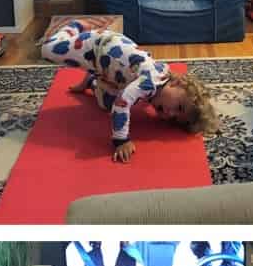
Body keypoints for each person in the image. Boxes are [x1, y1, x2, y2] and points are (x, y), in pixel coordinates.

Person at [43, 21, 218, 163]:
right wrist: (121, 140)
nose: (169, 113)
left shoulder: (159, 86)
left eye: (173, 118)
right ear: (177, 83)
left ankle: (92, 81)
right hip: (95, 46)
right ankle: (74, 27)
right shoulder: (149, 82)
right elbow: (124, 101)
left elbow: (121, 99)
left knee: (107, 105)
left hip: (110, 73)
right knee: (48, 50)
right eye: (179, 107)